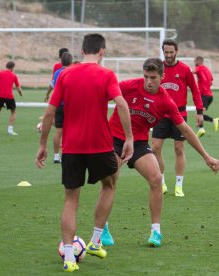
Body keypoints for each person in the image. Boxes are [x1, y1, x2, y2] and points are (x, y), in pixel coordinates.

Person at [35, 34, 133, 273]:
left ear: (81, 50)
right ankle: (95, 241)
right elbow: (121, 104)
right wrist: (129, 138)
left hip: (71, 147)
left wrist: (43, 145)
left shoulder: (65, 74)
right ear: (102, 51)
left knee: (71, 199)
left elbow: (49, 113)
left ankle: (69, 258)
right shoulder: (107, 74)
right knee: (109, 185)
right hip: (99, 145)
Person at [103, 58, 219, 248]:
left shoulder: (166, 100)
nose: (148, 82)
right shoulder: (128, 86)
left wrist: (206, 156)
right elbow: (101, 96)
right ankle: (103, 228)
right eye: (145, 77)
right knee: (110, 181)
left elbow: (185, 129)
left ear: (162, 77)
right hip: (116, 139)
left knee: (157, 179)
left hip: (140, 142)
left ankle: (156, 232)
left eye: (153, 77)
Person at [152, 39, 204, 197]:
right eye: (166, 52)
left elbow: (195, 91)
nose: (168, 55)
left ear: (176, 51)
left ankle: (179, 185)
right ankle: (161, 182)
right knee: (155, 148)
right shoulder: (157, 68)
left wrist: (199, 111)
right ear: (163, 51)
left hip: (179, 114)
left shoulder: (184, 69)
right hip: (160, 114)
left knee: (179, 149)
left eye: (171, 52)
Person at [50, 52, 73, 164]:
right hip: (70, 105)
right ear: (71, 62)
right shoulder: (71, 72)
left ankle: (55, 156)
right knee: (71, 130)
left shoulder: (56, 73)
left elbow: (54, 87)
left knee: (59, 130)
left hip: (58, 104)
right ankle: (68, 154)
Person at [193, 56, 219, 134]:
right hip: (209, 95)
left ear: (198, 61)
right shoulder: (207, 70)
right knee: (199, 113)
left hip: (204, 95)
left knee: (198, 113)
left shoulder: (199, 67)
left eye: (195, 61)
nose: (195, 63)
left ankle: (201, 128)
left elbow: (192, 72)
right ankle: (209, 123)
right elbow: (211, 82)